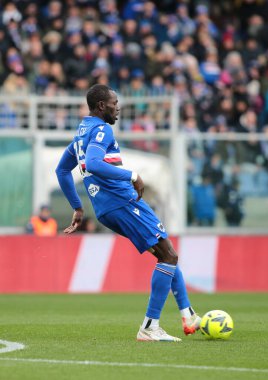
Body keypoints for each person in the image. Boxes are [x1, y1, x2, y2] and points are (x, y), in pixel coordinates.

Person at [55, 84, 201, 342]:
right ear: (101, 106)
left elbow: (62, 170)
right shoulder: (101, 129)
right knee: (168, 255)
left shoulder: (82, 132)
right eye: (114, 102)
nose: (118, 107)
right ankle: (149, 326)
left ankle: (188, 315)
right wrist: (132, 175)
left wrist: (78, 207)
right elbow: (95, 164)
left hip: (105, 207)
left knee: (165, 252)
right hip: (121, 200)